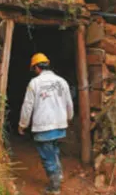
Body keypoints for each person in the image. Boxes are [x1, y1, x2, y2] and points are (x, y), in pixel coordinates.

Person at [18, 53, 74, 195]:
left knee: (47, 155)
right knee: (53, 149)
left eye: (34, 68)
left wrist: (22, 124)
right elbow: (69, 102)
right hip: (60, 124)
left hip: (44, 126)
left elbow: (27, 106)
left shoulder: (34, 83)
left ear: (37, 67)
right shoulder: (62, 81)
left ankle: (54, 186)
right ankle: (59, 174)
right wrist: (69, 117)